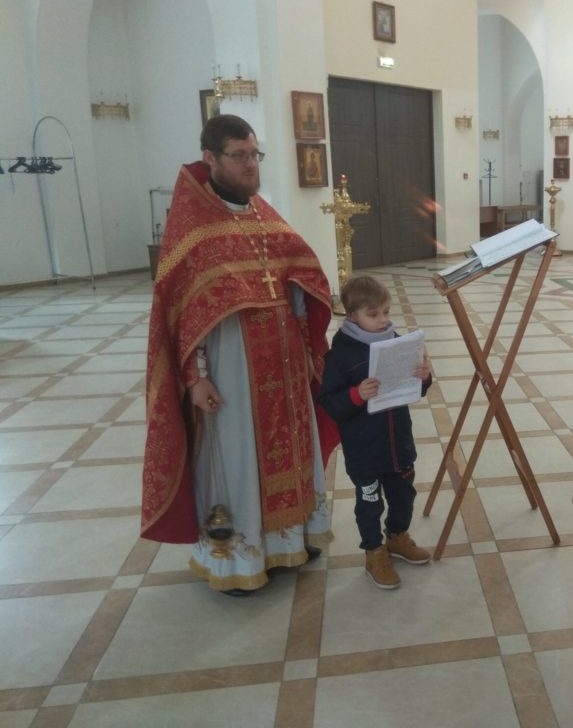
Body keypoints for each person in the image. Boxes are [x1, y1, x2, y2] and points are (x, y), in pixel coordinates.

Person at [142, 114, 340, 596]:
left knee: (291, 446)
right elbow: (181, 316)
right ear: (210, 158)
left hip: (283, 363)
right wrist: (195, 377)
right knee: (238, 456)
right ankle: (240, 558)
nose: (251, 165)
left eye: (255, 154)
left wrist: (309, 333)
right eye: (239, 156)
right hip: (230, 367)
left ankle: (292, 538)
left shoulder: (261, 214)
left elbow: (297, 273)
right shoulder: (192, 228)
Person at [318, 276, 432, 590]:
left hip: (399, 444)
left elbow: (416, 389)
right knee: (369, 503)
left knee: (404, 496)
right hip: (364, 451)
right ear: (352, 315)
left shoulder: (394, 342)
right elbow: (330, 403)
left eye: (386, 312)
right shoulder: (341, 355)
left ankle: (397, 537)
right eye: (373, 314)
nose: (383, 320)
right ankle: (373, 551)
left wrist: (423, 377)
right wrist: (356, 395)